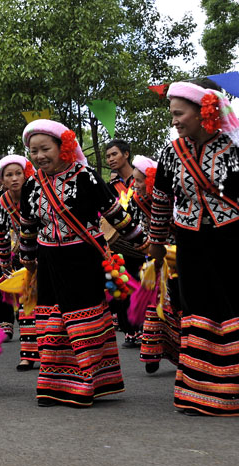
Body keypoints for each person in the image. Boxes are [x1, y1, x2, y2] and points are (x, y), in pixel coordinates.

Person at [149, 80, 239, 416]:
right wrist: (156, 244)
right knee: (199, 307)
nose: (174, 121)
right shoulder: (171, 153)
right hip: (190, 242)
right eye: (172, 114)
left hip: (233, 241)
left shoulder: (238, 149)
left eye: (179, 113)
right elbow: (160, 202)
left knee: (235, 306)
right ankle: (202, 390)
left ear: (205, 112)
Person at [19, 119, 142, 408]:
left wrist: (143, 241)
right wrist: (27, 260)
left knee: (82, 319)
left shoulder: (85, 176)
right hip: (49, 260)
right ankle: (54, 385)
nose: (38, 156)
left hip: (83, 259)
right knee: (52, 320)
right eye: (33, 150)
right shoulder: (31, 185)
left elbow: (115, 213)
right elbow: (28, 225)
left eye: (44, 148)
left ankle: (87, 383)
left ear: (63, 148)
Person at [129, 156, 181, 374]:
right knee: (154, 302)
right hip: (154, 259)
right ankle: (152, 353)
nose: (135, 185)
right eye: (134, 180)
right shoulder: (136, 200)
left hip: (177, 258)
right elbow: (136, 225)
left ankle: (180, 351)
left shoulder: (172, 199)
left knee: (176, 303)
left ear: (150, 181)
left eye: (139, 181)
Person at [0, 155, 39, 371]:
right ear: (2, 180)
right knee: (25, 303)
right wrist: (4, 263)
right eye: (9, 175)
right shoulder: (2, 203)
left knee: (48, 304)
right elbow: (1, 233)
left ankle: (50, 352)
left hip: (46, 252)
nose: (14, 178)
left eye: (18, 173)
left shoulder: (37, 193)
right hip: (23, 256)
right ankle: (28, 355)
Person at [104, 139, 146, 348]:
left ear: (126, 154)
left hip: (143, 237)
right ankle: (130, 329)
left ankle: (146, 327)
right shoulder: (110, 187)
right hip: (119, 242)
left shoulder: (141, 179)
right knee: (122, 281)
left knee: (143, 281)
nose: (111, 159)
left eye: (114, 154)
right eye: (108, 156)